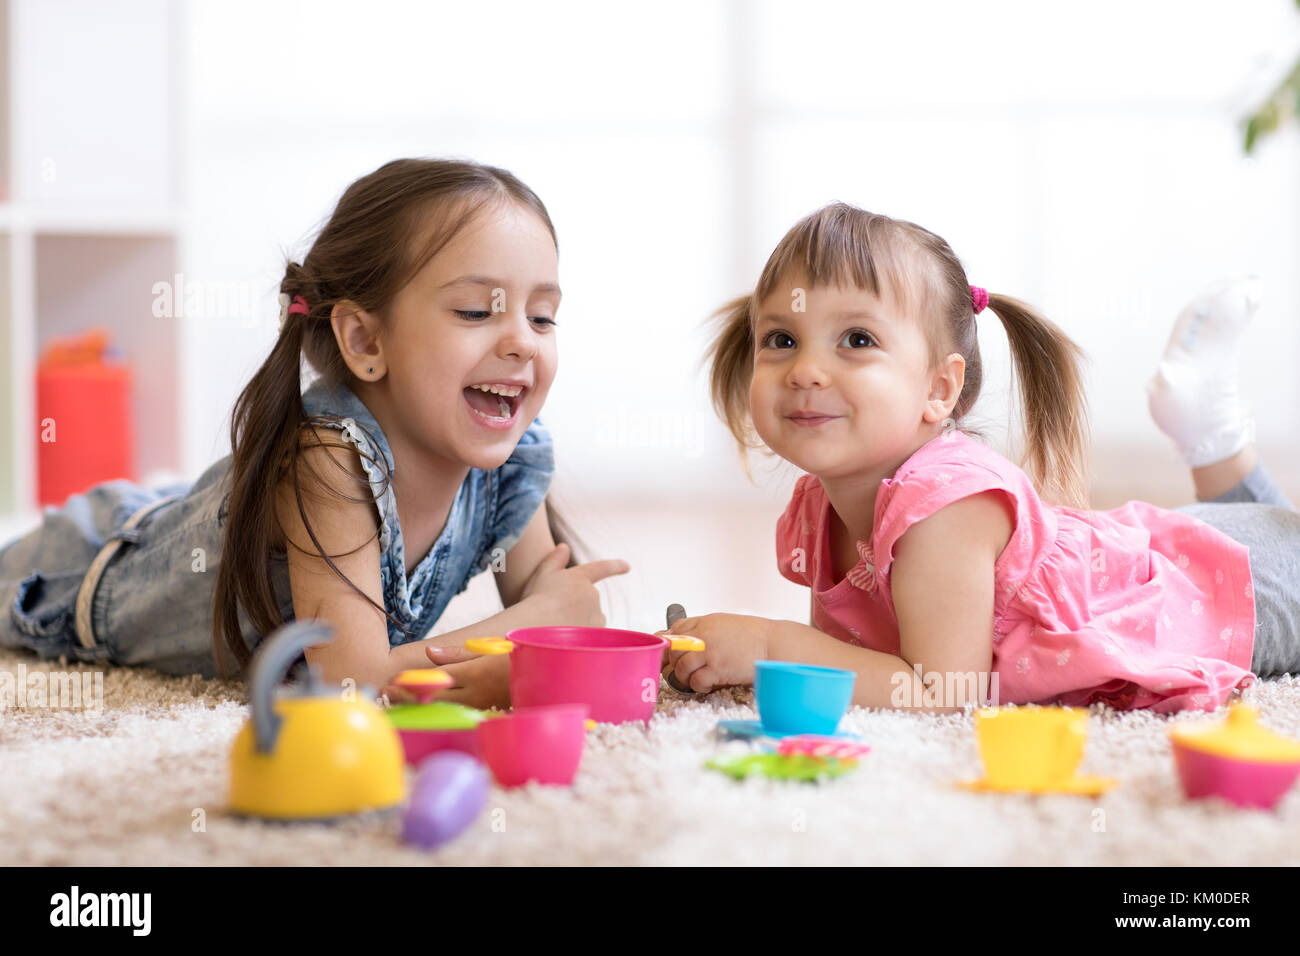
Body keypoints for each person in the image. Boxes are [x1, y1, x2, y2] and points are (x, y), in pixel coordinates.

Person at [0, 158, 629, 708]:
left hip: (169, 512)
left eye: (543, 317)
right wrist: (528, 630)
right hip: (88, 568)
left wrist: (553, 632)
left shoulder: (512, 463)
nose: (522, 340)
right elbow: (352, 681)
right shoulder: (329, 460)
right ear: (365, 340)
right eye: (475, 310)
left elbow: (555, 622)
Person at [663, 202, 1295, 713]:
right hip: (1183, 547)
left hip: (1234, 596)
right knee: (1272, 527)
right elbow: (851, 664)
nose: (805, 369)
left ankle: (1216, 440)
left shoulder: (946, 508)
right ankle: (1215, 440)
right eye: (782, 339)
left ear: (939, 389)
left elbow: (942, 691)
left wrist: (769, 644)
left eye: (856, 340)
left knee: (1281, 539)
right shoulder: (820, 502)